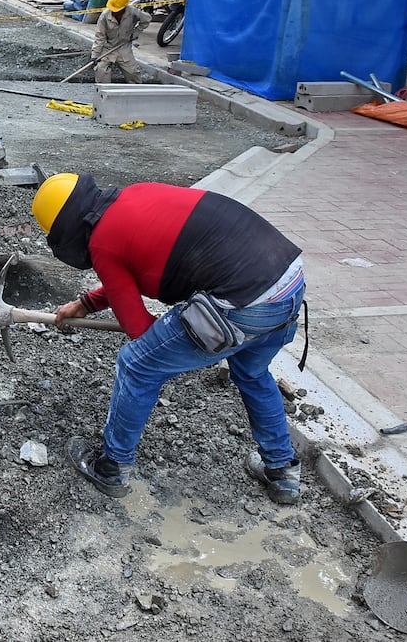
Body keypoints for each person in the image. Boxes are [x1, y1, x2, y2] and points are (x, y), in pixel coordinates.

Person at [31, 172, 308, 505]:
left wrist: (162, 345)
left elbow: (140, 333)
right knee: (251, 372)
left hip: (243, 300)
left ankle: (112, 467)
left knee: (136, 364)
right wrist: (87, 303)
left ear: (66, 230)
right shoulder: (133, 196)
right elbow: (133, 265)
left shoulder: (101, 240)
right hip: (288, 284)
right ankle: (281, 470)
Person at [93, 0, 151, 84]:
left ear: (124, 7)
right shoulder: (104, 17)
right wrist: (95, 55)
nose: (114, 12)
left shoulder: (133, 12)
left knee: (132, 72)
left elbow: (147, 19)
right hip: (108, 47)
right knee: (101, 70)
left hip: (124, 47)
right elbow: (99, 36)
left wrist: (136, 32)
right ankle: (104, 91)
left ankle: (135, 92)